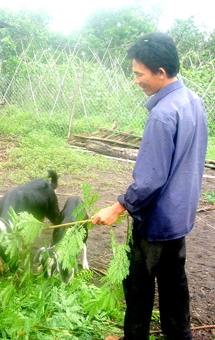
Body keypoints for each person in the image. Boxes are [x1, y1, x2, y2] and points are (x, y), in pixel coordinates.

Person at [92, 32, 208, 340]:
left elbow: (150, 180)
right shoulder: (194, 102)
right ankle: (180, 335)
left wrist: (118, 207)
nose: (136, 81)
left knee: (139, 289)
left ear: (160, 72)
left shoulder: (162, 115)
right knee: (174, 285)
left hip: (156, 222)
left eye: (139, 74)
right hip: (181, 217)